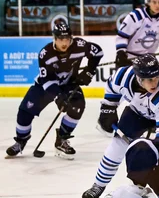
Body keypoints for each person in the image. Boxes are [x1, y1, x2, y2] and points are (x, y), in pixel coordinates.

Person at [81, 54, 159, 198]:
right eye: (150, 79)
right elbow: (112, 86)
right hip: (138, 111)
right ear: (139, 78)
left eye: (157, 77)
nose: (155, 82)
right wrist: (108, 108)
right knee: (118, 145)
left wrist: (155, 150)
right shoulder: (122, 77)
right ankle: (98, 185)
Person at [6, 23, 104, 159]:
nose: (64, 43)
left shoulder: (80, 46)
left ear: (71, 38)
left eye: (66, 39)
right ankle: (21, 141)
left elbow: (98, 52)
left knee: (77, 107)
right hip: (45, 86)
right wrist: (59, 96)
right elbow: (47, 80)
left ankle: (61, 140)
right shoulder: (45, 54)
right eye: (60, 39)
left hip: (69, 84)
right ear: (54, 38)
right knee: (25, 112)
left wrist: (90, 71)